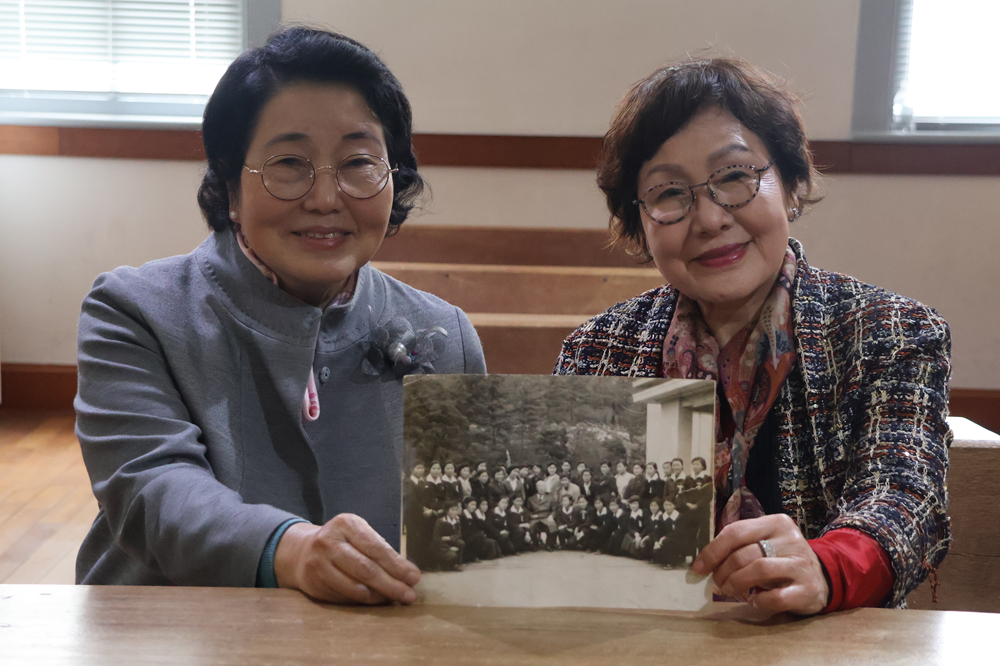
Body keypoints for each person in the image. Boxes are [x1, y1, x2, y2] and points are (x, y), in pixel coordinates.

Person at [73, 27, 487, 605]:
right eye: (289, 162)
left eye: (359, 162)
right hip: (170, 636)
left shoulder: (447, 338)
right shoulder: (135, 311)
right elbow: (152, 489)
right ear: (229, 184)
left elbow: (462, 530)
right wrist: (290, 549)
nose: (325, 197)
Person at [555, 57, 950, 614]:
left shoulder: (887, 332)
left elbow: (906, 496)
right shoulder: (596, 350)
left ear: (790, 185)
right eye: (669, 193)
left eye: (735, 176)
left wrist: (826, 565)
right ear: (640, 223)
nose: (710, 218)